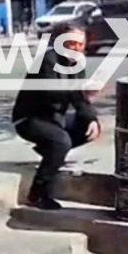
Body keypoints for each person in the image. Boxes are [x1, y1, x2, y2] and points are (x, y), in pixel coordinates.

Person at [12, 20, 102, 210]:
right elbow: (50, 93)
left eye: (80, 44)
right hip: (30, 118)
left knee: (88, 127)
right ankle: (37, 193)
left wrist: (91, 118)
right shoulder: (47, 61)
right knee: (61, 142)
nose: (76, 49)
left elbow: (79, 101)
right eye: (71, 44)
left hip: (54, 118)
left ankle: (49, 152)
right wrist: (79, 90)